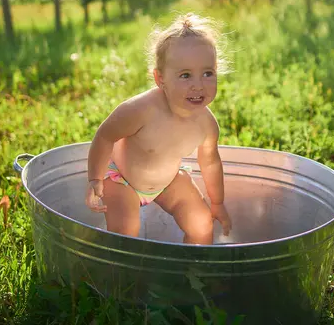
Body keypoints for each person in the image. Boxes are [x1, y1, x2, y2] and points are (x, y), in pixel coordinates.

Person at [85, 13, 231, 244]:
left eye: (208, 73)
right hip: (124, 180)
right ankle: (120, 278)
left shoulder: (207, 124)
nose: (198, 85)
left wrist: (217, 203)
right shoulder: (141, 110)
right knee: (125, 230)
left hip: (167, 180)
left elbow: (210, 161)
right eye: (185, 75)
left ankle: (194, 272)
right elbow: (105, 136)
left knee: (202, 222)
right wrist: (95, 179)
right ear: (160, 78)